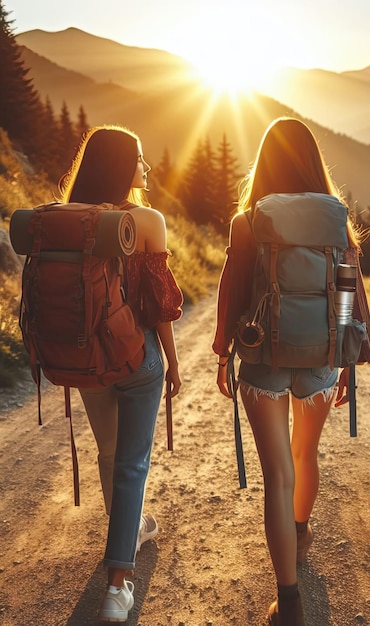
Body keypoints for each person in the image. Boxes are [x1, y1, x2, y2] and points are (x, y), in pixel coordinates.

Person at [213, 117, 370, 626]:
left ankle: (288, 601)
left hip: (264, 358)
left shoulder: (249, 223)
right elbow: (349, 291)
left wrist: (223, 352)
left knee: (276, 476)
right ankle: (301, 533)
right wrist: (348, 354)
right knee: (306, 455)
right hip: (323, 357)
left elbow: (231, 293)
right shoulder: (337, 222)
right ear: (312, 162)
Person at [59, 125, 183, 622]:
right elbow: (158, 306)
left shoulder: (66, 219)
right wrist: (171, 362)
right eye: (138, 158)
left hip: (85, 359)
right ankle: (117, 586)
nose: (145, 167)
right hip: (136, 361)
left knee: (109, 455)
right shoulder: (146, 219)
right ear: (119, 167)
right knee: (132, 464)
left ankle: (128, 533)